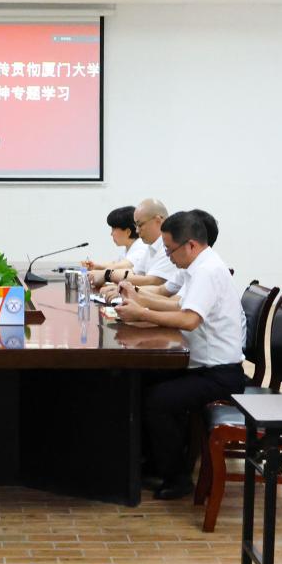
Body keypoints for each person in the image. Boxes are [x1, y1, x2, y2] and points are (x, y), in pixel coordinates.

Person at [114, 209, 245, 500]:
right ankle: (149, 461)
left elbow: (188, 319)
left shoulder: (207, 271)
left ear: (191, 245)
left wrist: (142, 312)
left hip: (219, 374)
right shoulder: (197, 266)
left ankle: (177, 477)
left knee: (158, 400)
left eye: (170, 249)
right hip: (201, 364)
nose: (168, 256)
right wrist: (138, 297)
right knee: (140, 380)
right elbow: (178, 306)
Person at [90, 198, 178, 289]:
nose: (137, 231)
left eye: (140, 225)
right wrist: (108, 276)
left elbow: (153, 282)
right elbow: (134, 272)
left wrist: (108, 275)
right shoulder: (151, 247)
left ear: (158, 220)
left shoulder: (169, 246)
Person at [83, 206, 147, 273]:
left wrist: (95, 273)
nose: (111, 234)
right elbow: (115, 263)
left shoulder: (141, 247)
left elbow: (121, 266)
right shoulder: (128, 248)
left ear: (128, 232)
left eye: (113, 229)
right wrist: (95, 266)